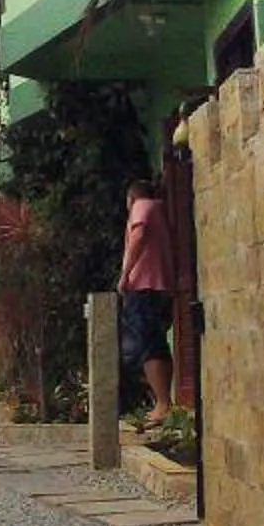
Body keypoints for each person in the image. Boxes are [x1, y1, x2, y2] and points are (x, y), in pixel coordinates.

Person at [117, 177, 174, 418]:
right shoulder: (160, 211)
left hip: (143, 286)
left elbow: (138, 237)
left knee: (146, 346)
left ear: (131, 198)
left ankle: (162, 403)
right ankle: (162, 401)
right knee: (155, 343)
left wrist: (125, 274)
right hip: (158, 285)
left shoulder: (143, 206)